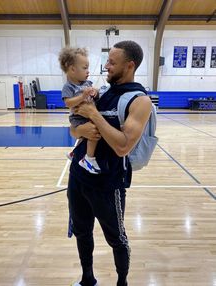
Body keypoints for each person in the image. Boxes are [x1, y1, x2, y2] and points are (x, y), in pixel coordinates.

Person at [68, 41, 152, 286]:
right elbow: (74, 131)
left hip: (107, 183)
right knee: (82, 231)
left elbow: (123, 145)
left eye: (112, 62)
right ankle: (87, 279)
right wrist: (79, 129)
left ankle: (122, 282)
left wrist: (94, 115)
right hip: (79, 176)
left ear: (130, 65)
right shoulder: (100, 92)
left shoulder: (139, 100)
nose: (106, 66)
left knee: (116, 238)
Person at [59, 47, 101, 174]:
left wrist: (95, 92)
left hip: (87, 114)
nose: (88, 71)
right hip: (77, 117)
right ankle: (88, 158)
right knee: (94, 133)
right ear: (72, 69)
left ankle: (74, 153)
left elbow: (95, 93)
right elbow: (67, 103)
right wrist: (82, 96)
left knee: (85, 136)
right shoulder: (69, 86)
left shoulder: (87, 82)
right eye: (85, 68)